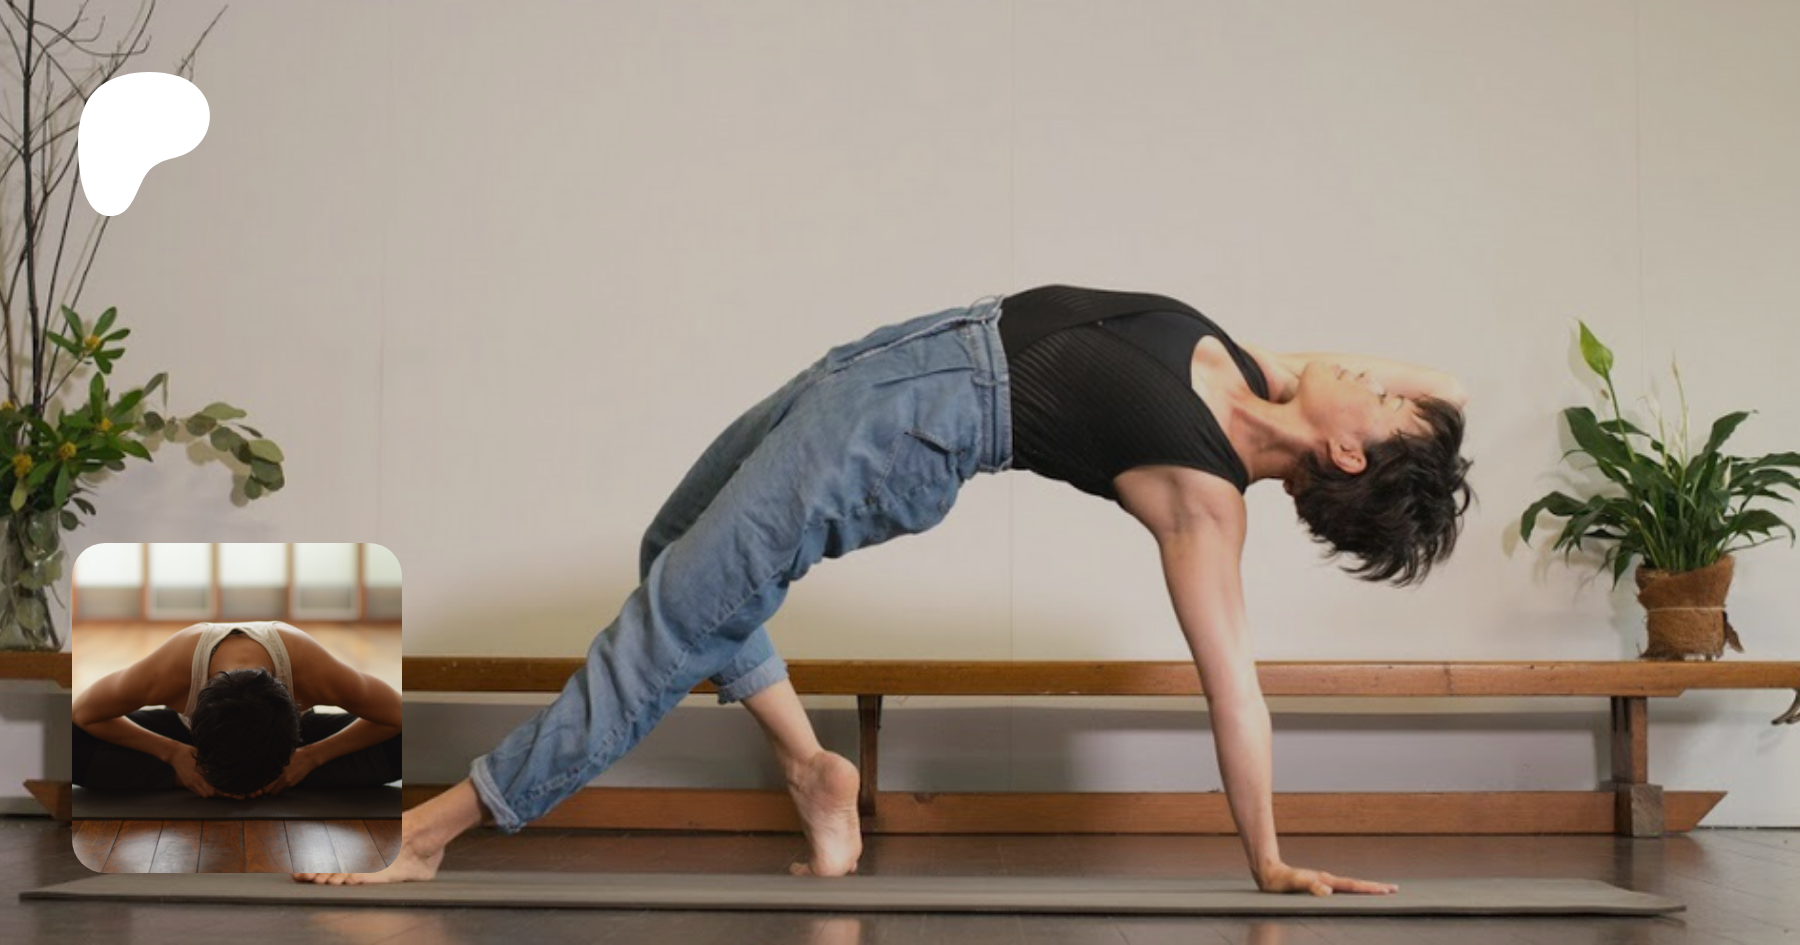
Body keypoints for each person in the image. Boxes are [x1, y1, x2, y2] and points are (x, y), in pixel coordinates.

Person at [296, 285, 1472, 895]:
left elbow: (1235, 690)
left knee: (673, 621)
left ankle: (440, 830)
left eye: (1381, 401)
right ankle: (816, 770)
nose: (1376, 374)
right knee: (675, 544)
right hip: (882, 364)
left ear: (1347, 455)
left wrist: (1268, 858)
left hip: (902, 435)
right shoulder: (1267, 371)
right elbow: (1450, 383)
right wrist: (1416, 433)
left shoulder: (1204, 502)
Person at [72, 620, 403, 799]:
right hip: (193, 744)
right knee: (69, 742)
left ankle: (268, 771)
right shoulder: (172, 669)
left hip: (286, 744)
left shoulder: (309, 667)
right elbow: (83, 712)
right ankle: (197, 775)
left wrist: (311, 757)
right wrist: (174, 755)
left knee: (405, 745)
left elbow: (398, 715)